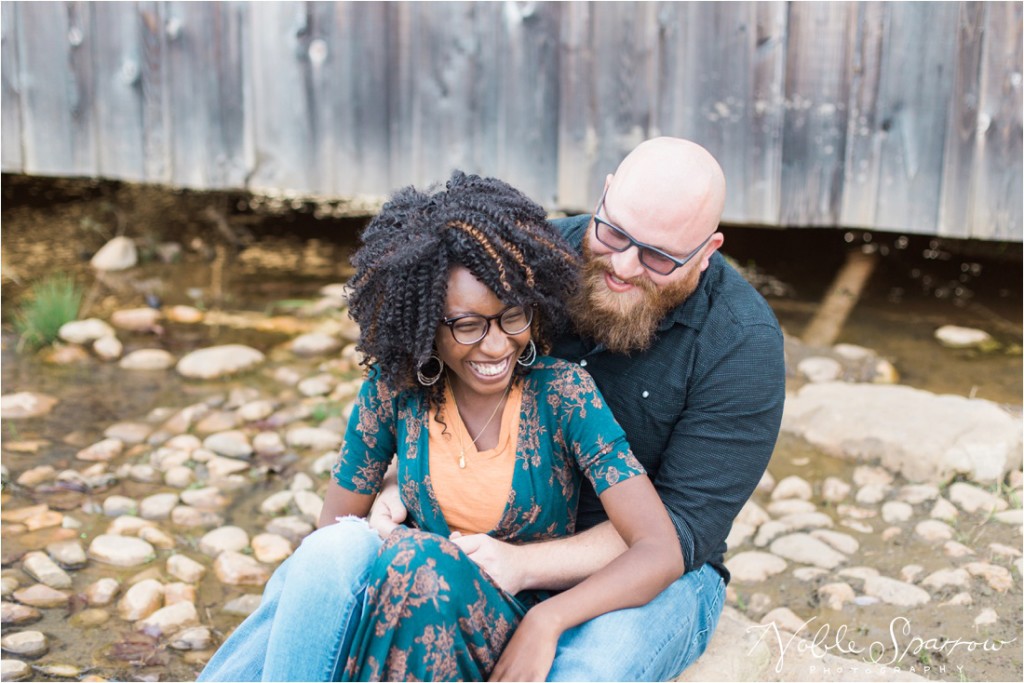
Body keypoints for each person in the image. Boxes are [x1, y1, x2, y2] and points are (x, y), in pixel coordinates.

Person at [199, 137, 785, 682]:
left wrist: (535, 590)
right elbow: (435, 369)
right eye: (614, 235)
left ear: (707, 253)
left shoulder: (741, 343)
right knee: (305, 585)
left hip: (648, 572)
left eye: (658, 257)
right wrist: (408, 486)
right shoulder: (532, 257)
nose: (626, 265)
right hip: (482, 532)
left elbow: (674, 537)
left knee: (590, 668)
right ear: (604, 195)